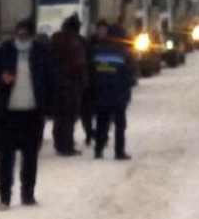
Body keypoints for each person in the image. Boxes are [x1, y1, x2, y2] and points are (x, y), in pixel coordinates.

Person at [0, 21, 56, 210]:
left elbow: (51, 79)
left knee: (30, 156)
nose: (21, 40)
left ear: (33, 38)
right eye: (19, 37)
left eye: (25, 37)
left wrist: (49, 107)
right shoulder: (4, 51)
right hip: (9, 113)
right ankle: (5, 197)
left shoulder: (42, 53)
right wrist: (1, 79)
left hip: (33, 113)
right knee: (6, 158)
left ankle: (28, 194)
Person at [89, 21, 135, 161]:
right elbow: (129, 74)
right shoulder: (123, 52)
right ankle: (119, 151)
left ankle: (98, 149)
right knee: (119, 124)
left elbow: (91, 72)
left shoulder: (96, 50)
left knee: (102, 122)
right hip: (118, 93)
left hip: (101, 92)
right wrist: (127, 93)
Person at [49, 15, 91, 156]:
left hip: (56, 83)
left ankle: (59, 143)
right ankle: (67, 145)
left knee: (59, 115)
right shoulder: (78, 42)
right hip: (73, 84)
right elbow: (82, 64)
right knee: (69, 116)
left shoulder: (55, 39)